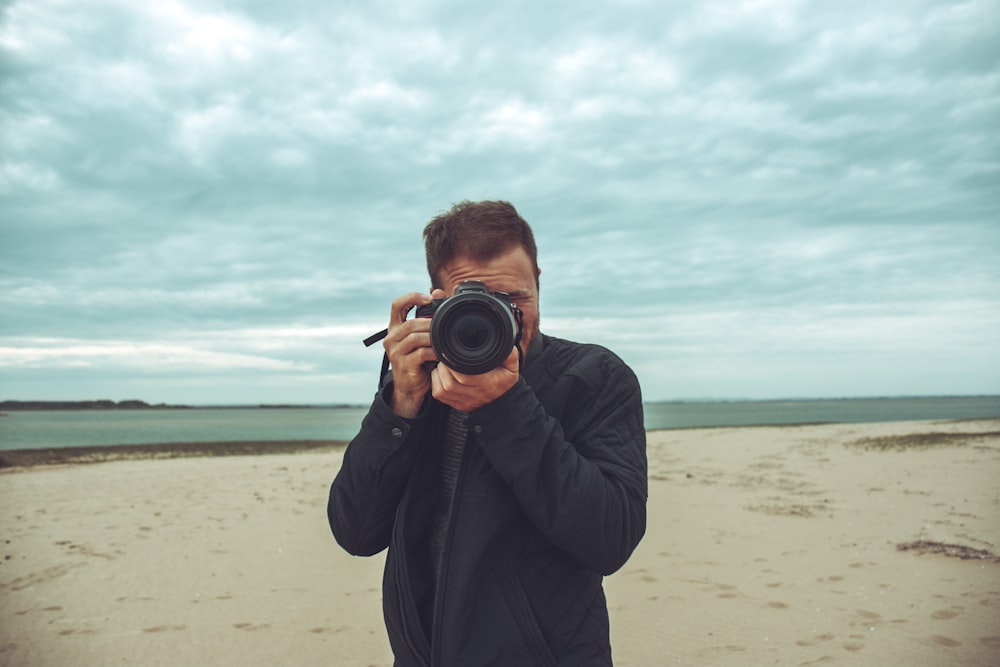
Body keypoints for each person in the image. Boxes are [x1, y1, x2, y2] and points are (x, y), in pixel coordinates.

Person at [328, 200, 647, 666]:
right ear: (437, 300)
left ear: (539, 281)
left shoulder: (595, 377)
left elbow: (610, 539)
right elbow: (355, 533)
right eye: (478, 301)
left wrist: (506, 407)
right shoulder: (418, 380)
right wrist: (399, 407)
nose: (506, 319)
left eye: (516, 299)